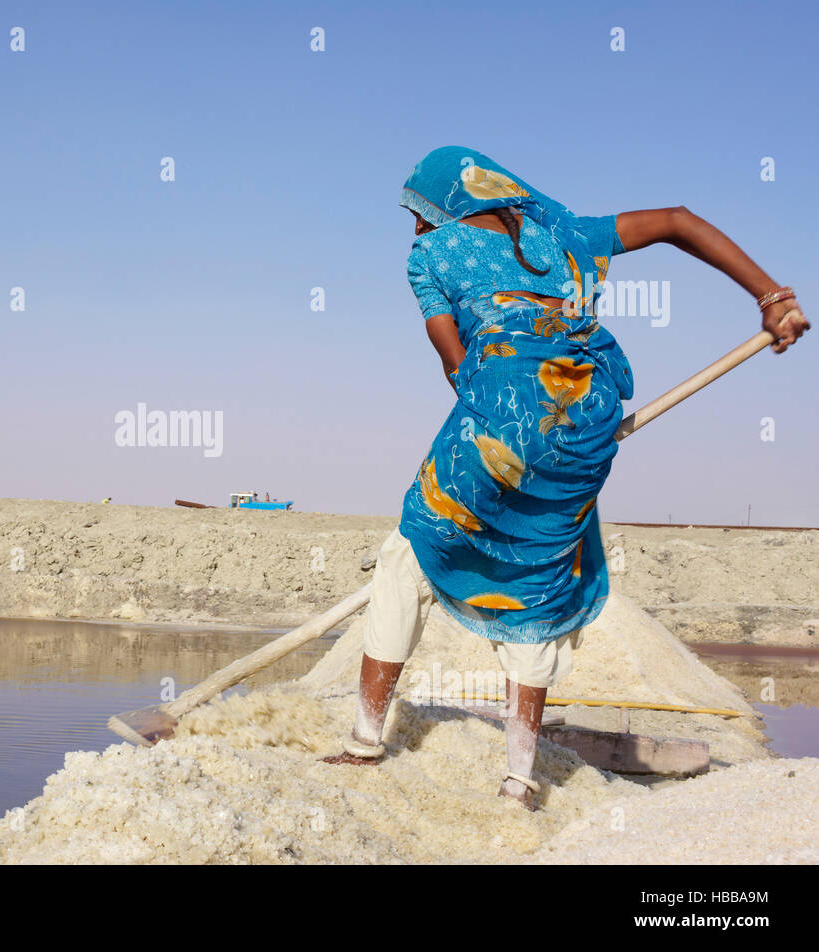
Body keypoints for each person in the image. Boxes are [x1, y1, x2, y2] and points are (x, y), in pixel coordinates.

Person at [323, 146, 807, 809]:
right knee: (539, 576)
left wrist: (504, 428)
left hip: (500, 417)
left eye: (419, 213)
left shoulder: (428, 258)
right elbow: (677, 218)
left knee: (408, 556)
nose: (414, 228)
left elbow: (455, 363)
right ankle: (520, 779)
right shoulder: (568, 232)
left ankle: (362, 740)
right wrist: (770, 297)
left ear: (446, 207)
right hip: (586, 424)